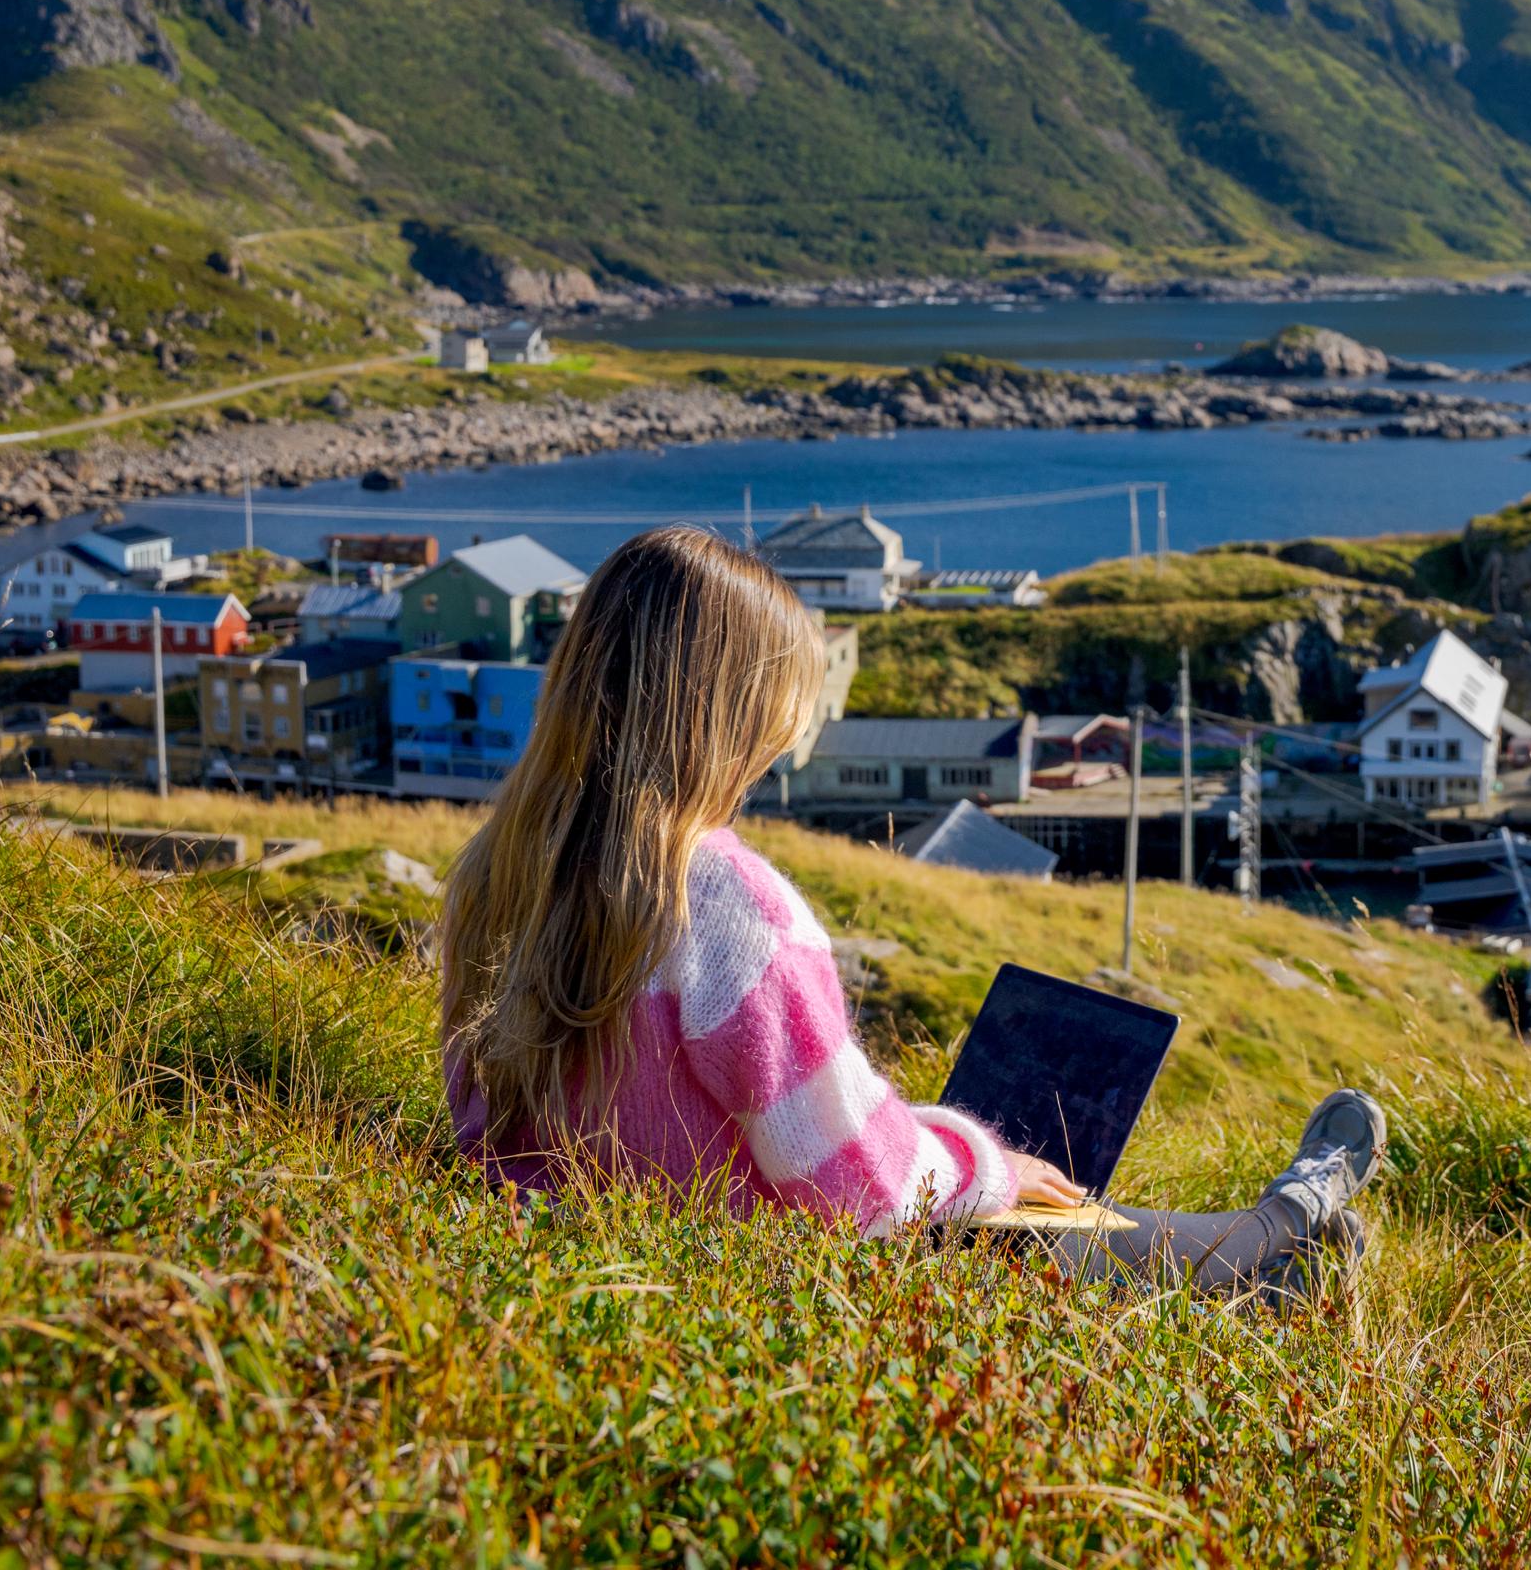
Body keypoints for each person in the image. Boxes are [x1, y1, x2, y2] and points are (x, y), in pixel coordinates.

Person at [435, 523, 1382, 1299]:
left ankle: (1288, 1264)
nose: (779, 752)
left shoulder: (495, 876)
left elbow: (495, 1135)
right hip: (779, 1289)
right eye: (778, 722)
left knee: (1101, 1230)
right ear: (728, 716)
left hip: (599, 1279)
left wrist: (916, 1129)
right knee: (1069, 1227)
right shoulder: (727, 908)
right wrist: (990, 1165)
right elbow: (864, 1190)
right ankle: (1289, 1221)